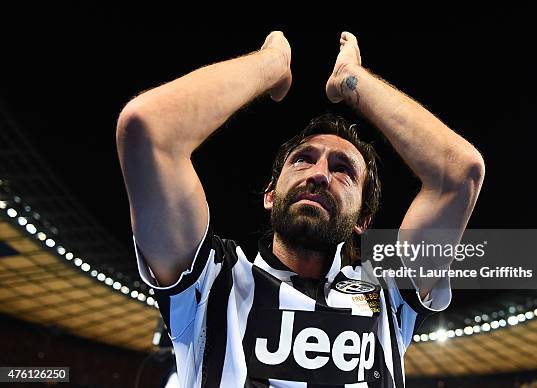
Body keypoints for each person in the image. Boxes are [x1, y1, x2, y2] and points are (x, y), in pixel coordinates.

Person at [116, 31, 485, 387]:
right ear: (270, 195)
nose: (320, 175)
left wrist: (352, 80)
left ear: (363, 221)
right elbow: (149, 128)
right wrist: (272, 63)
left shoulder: (386, 295)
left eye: (343, 169)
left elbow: (460, 173)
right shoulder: (212, 285)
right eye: (303, 160)